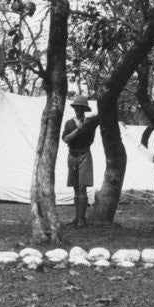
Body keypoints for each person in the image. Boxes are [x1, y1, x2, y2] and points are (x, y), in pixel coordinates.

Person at [62, 95, 100, 228]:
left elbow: (90, 139)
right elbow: (66, 139)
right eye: (76, 107)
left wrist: (86, 126)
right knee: (75, 188)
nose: (77, 109)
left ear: (84, 109)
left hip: (84, 155)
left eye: (80, 107)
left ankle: (81, 219)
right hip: (72, 155)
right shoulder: (69, 123)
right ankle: (76, 217)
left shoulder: (89, 123)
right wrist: (79, 129)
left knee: (82, 187)